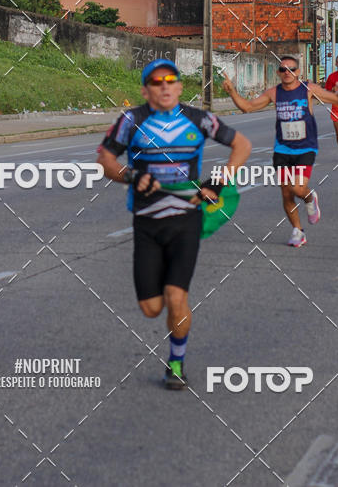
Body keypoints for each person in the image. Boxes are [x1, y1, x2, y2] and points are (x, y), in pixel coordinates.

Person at [97, 58, 251, 390]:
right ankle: (170, 305)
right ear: (145, 89)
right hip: (147, 222)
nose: (164, 86)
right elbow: (106, 159)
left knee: (176, 295)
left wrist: (219, 180)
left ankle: (176, 362)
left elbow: (242, 145)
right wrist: (131, 176)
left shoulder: (199, 119)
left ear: (180, 87)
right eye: (156, 81)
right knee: (152, 308)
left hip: (186, 219)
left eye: (171, 80)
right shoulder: (131, 120)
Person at [223, 56, 338, 248]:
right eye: (283, 69)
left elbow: (337, 99)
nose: (287, 72)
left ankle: (310, 198)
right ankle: (297, 231)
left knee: (297, 188)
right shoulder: (274, 93)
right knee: (286, 194)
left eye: (291, 69)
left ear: (298, 72)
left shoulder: (308, 89)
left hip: (305, 147)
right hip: (282, 149)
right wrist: (232, 92)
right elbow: (247, 107)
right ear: (279, 73)